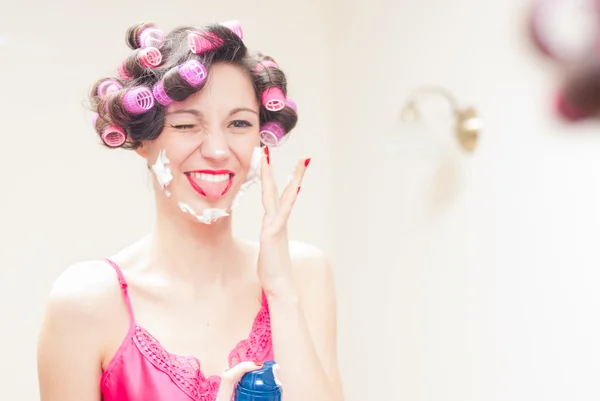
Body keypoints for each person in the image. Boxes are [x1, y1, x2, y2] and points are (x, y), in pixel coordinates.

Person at [36, 20, 343, 401]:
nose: (217, 150)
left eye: (239, 123)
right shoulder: (86, 301)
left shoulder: (303, 275)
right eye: (186, 125)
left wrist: (280, 291)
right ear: (141, 140)